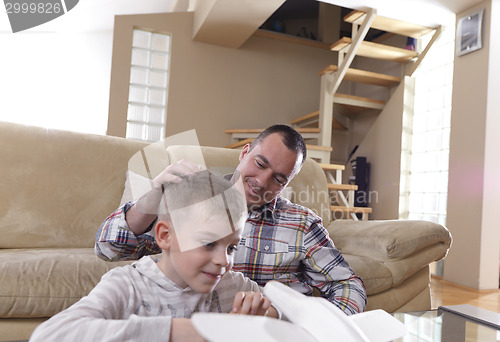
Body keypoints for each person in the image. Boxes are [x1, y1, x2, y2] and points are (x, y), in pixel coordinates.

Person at [26, 171, 278, 342]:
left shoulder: (229, 284)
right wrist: (165, 335)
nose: (224, 260)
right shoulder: (128, 286)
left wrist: (267, 314)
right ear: (165, 236)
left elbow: (285, 310)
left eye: (231, 247)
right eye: (209, 243)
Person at [95, 124, 367, 315]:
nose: (262, 182)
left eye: (279, 178)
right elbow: (109, 248)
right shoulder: (193, 200)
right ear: (244, 152)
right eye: (260, 164)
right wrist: (153, 196)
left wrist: (320, 335)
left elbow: (347, 285)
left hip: (273, 340)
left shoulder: (302, 223)